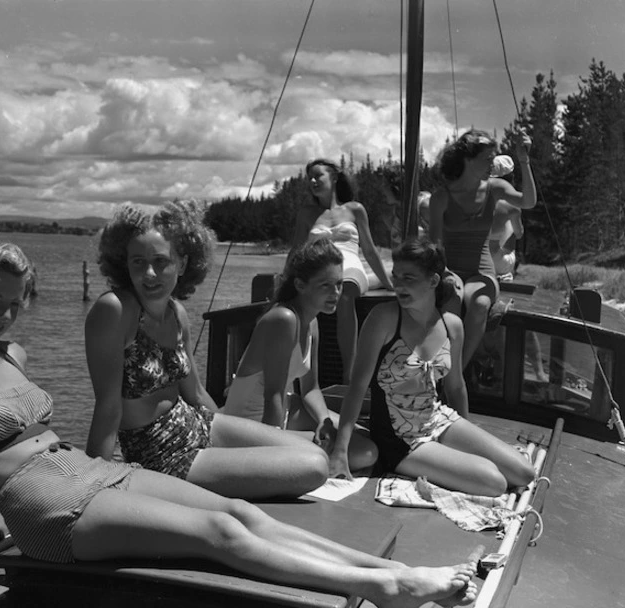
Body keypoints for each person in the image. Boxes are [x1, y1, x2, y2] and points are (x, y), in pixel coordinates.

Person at [0, 233, 479, 608]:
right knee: (214, 537)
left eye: (16, 302)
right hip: (41, 501)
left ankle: (390, 568)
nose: (6, 314)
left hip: (82, 467)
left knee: (238, 512)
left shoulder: (13, 354)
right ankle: (384, 589)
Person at [84, 201, 328, 500]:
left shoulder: (177, 314)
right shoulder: (114, 311)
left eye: (161, 262)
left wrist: (229, 436)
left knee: (314, 452)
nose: (149, 274)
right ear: (125, 263)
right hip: (162, 456)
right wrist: (93, 490)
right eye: (138, 262)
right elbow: (108, 407)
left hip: (198, 425)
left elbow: (196, 393)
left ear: (183, 263)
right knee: (314, 468)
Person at [328, 237, 535, 497]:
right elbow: (357, 388)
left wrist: (466, 443)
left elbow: (456, 386)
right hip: (400, 440)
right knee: (494, 482)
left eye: (409, 278)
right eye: (395, 277)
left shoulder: (452, 325)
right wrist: (340, 451)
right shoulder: (384, 318)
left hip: (439, 419)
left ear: (433, 281)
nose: (398, 285)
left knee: (524, 472)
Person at [223, 238, 378, 472]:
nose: (335, 293)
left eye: (338, 284)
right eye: (325, 285)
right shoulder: (283, 320)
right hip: (252, 424)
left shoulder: (312, 322)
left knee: (358, 437)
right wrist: (273, 452)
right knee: (365, 454)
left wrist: (324, 422)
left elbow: (310, 388)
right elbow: (272, 394)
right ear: (300, 284)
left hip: (284, 410)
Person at [429, 130, 536, 368]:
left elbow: (528, 201)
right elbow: (433, 244)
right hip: (450, 269)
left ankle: (456, 371)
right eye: (487, 158)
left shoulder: (495, 188)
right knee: (452, 298)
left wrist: (524, 159)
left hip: (483, 271)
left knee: (479, 304)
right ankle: (445, 366)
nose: (492, 163)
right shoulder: (441, 197)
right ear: (468, 160)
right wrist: (442, 272)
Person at [291, 158, 393, 383]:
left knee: (344, 292)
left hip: (349, 265)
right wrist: (286, 279)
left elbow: (369, 249)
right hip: (319, 268)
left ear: (334, 177)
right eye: (310, 178)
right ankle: (300, 373)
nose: (313, 181)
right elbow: (297, 250)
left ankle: (350, 373)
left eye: (319, 175)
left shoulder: (355, 209)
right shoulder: (307, 213)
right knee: (298, 302)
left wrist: (388, 282)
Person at [487, 155, 523, 282]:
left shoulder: (476, 199)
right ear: (511, 179)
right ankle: (506, 274)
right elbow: (519, 234)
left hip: (477, 258)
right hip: (498, 261)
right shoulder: (512, 205)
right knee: (513, 230)